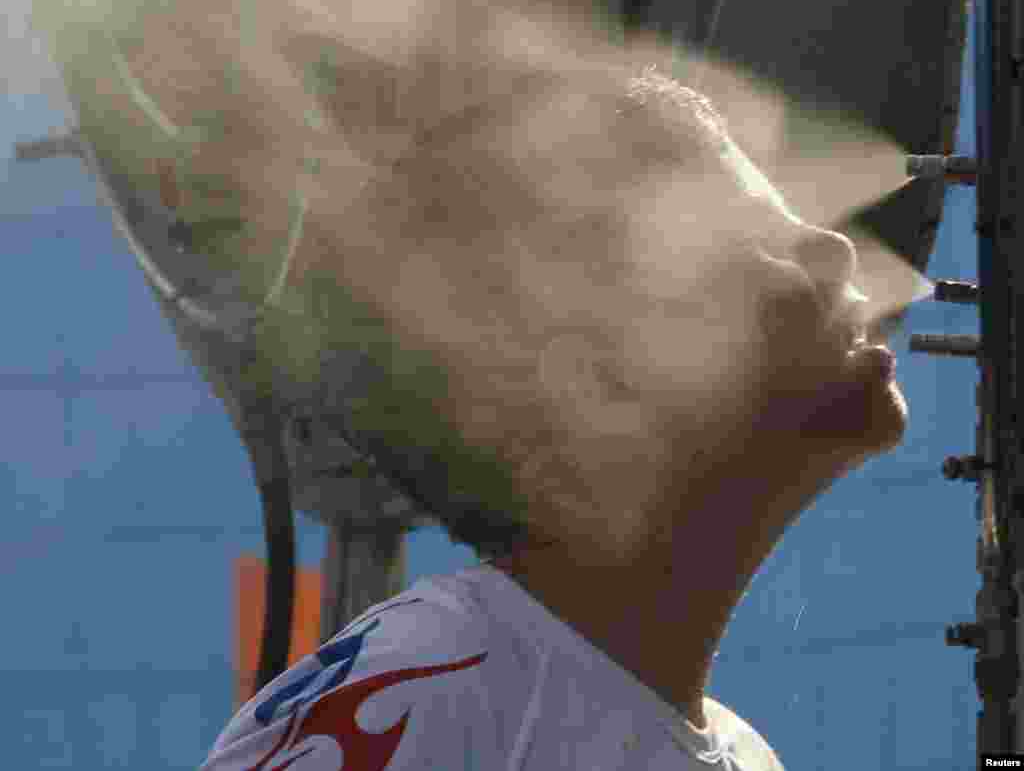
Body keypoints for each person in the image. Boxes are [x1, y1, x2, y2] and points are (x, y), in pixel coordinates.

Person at [199, 69, 910, 770]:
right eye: (752, 237)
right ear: (595, 382)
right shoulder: (411, 703)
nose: (836, 246)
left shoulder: (749, 757)